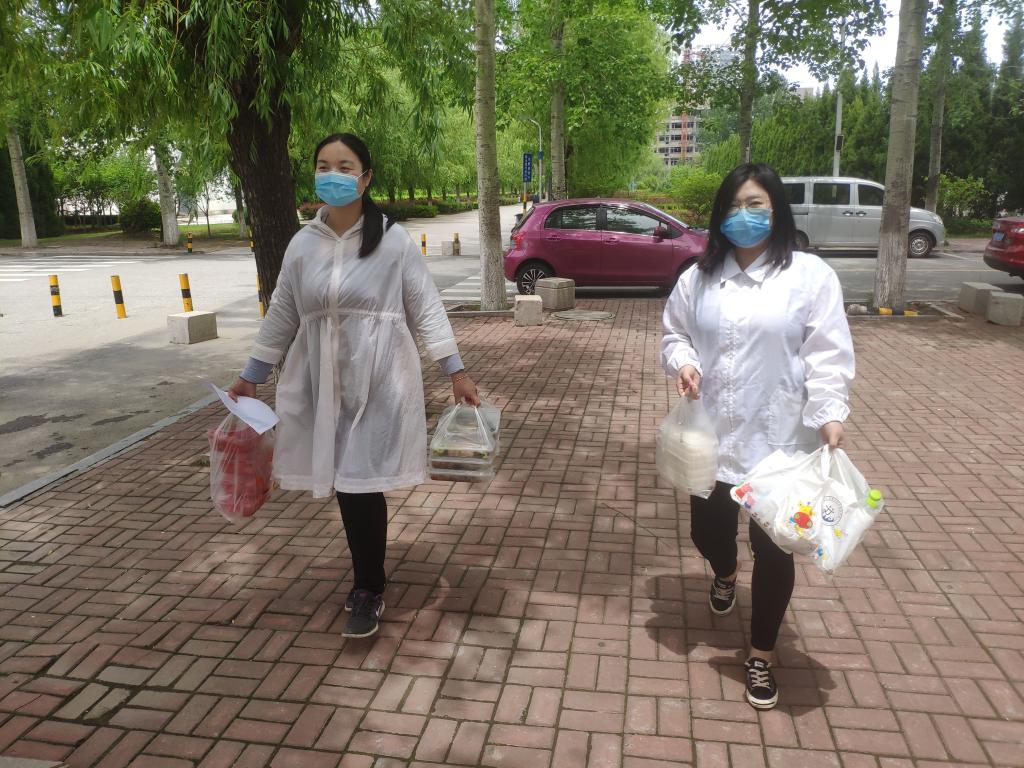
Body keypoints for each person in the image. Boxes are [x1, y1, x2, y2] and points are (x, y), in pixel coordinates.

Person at [227, 133, 480, 639]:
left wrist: (455, 371)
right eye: (323, 166)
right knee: (347, 480)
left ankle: (368, 586)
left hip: (381, 379)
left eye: (344, 166)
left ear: (365, 178)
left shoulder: (393, 241)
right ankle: (368, 578)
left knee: (359, 481)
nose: (332, 175)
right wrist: (250, 376)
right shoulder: (302, 245)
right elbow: (282, 313)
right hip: (322, 382)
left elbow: (426, 307)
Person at [660, 163, 855, 710]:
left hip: (780, 444)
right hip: (712, 439)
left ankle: (761, 655)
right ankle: (724, 573)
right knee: (708, 535)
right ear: (719, 215)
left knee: (774, 551)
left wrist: (830, 414)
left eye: (755, 205)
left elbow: (826, 353)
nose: (743, 215)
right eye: (733, 206)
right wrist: (683, 361)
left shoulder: (810, 276)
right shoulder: (698, 278)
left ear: (776, 211)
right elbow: (675, 333)